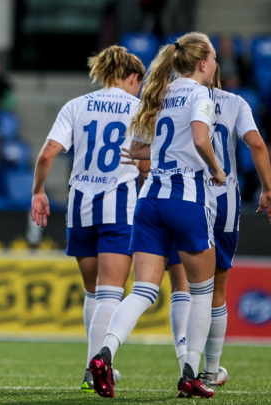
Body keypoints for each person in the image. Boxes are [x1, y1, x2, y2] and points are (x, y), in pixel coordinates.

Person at [87, 32, 225, 399]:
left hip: (149, 200)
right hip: (186, 197)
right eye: (213, 58)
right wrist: (216, 169)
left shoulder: (159, 92)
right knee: (201, 291)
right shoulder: (200, 94)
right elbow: (199, 138)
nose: (216, 65)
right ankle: (191, 373)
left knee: (143, 290)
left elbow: (136, 149)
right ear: (202, 63)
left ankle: (104, 354)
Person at [31, 45, 146, 394]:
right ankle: (97, 365)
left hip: (80, 205)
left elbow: (48, 151)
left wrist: (38, 191)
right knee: (111, 291)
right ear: (132, 77)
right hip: (118, 205)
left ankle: (91, 366)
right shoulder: (138, 108)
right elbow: (144, 163)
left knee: (93, 291)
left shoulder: (76, 105)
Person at [152, 73, 271, 391]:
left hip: (185, 197)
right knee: (216, 290)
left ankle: (185, 364)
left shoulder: (174, 99)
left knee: (183, 287)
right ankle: (210, 369)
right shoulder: (235, 102)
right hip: (224, 202)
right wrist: (267, 189)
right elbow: (256, 143)